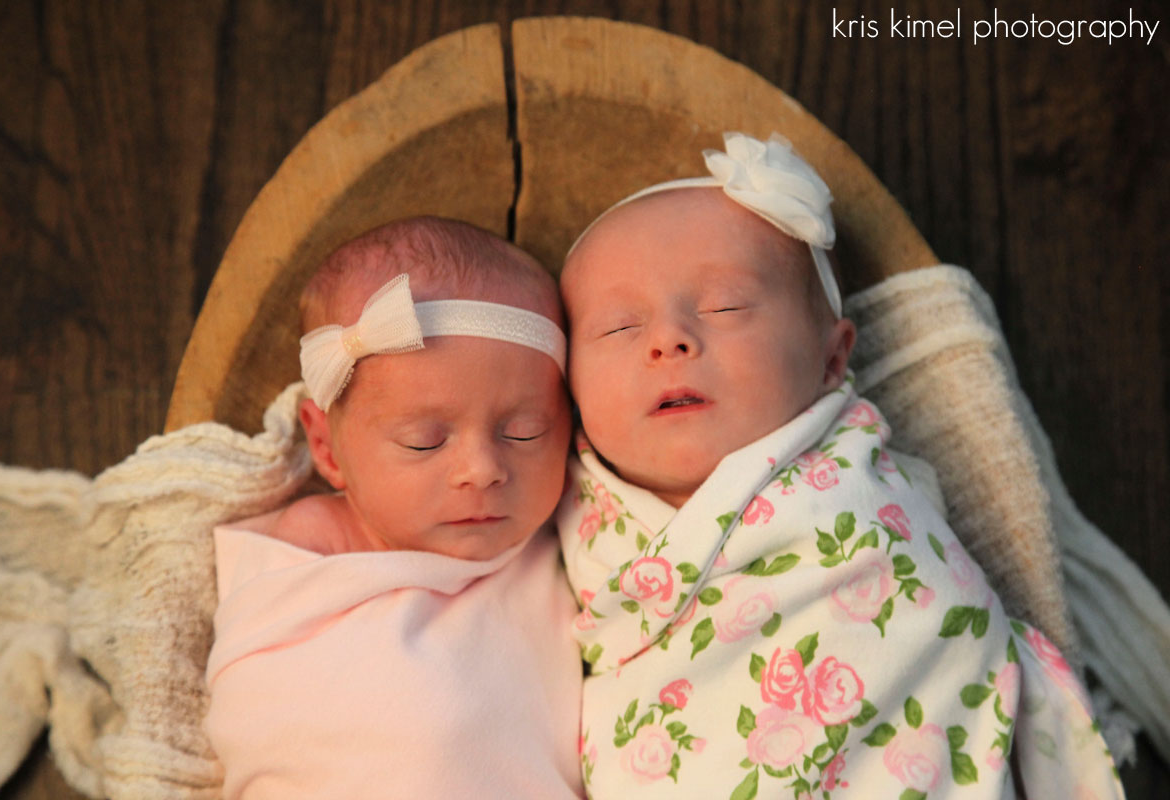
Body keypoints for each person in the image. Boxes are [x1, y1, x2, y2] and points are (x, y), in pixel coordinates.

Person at [557, 133, 1123, 798]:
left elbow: (934, 627)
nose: (669, 339)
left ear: (831, 359)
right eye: (619, 327)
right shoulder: (549, 505)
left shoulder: (857, 490)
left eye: (725, 305)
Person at [204, 216, 583, 799]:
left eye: (526, 432)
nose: (482, 469)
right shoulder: (314, 543)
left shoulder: (576, 538)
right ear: (326, 448)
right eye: (424, 442)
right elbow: (261, 709)